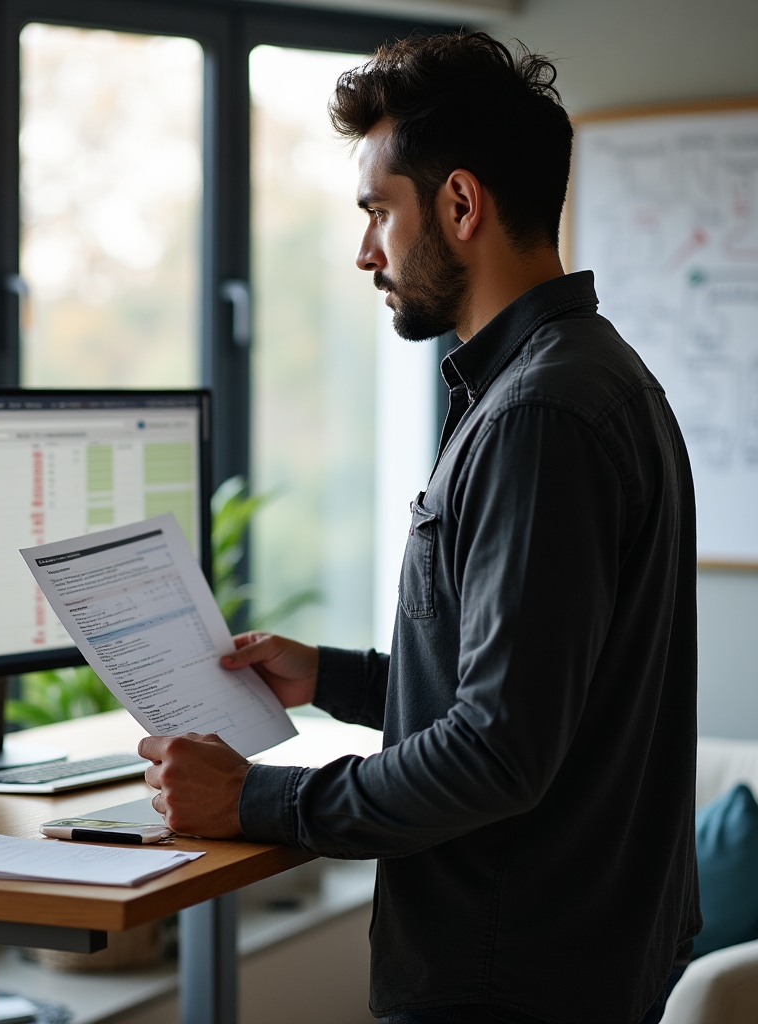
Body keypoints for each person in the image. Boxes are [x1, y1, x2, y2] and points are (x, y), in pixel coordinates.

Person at [140, 31, 700, 1024]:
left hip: (510, 977)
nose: (364, 251)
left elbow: (496, 752)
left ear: (459, 204)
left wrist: (253, 803)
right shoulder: (590, 377)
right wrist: (335, 677)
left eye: (376, 212)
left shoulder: (537, 416)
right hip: (566, 960)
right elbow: (534, 694)